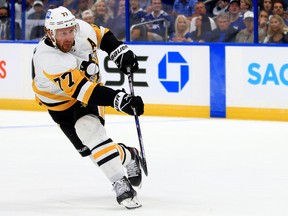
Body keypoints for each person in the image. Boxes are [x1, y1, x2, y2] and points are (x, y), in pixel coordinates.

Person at [32, 6, 144, 209]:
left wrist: (119, 51)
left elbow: (102, 35)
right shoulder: (47, 57)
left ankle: (121, 183)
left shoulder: (81, 29)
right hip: (60, 104)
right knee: (91, 151)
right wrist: (120, 99)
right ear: (50, 33)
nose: (68, 36)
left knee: (89, 130)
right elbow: (83, 90)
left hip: (88, 92)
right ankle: (129, 155)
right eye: (62, 33)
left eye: (70, 30)